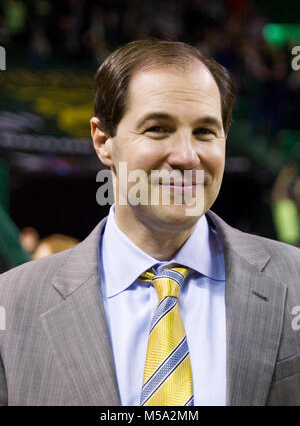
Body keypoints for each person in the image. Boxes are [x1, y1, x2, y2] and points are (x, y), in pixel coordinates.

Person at [0, 39, 300, 406]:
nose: (187, 156)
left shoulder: (294, 282)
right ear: (102, 140)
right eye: (158, 128)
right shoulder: (12, 304)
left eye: (205, 131)